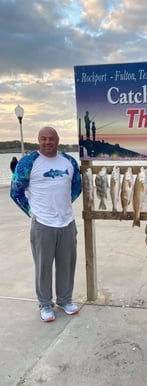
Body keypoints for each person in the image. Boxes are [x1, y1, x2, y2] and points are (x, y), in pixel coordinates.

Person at [10, 127, 82, 322]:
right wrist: (31, 212)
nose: (47, 142)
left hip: (67, 222)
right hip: (42, 224)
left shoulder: (69, 161)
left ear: (58, 140)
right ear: (39, 140)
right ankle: (45, 304)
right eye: (43, 138)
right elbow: (15, 192)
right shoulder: (28, 163)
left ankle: (65, 300)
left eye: (51, 139)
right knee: (43, 266)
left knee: (66, 264)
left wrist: (64, 206)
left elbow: (77, 187)